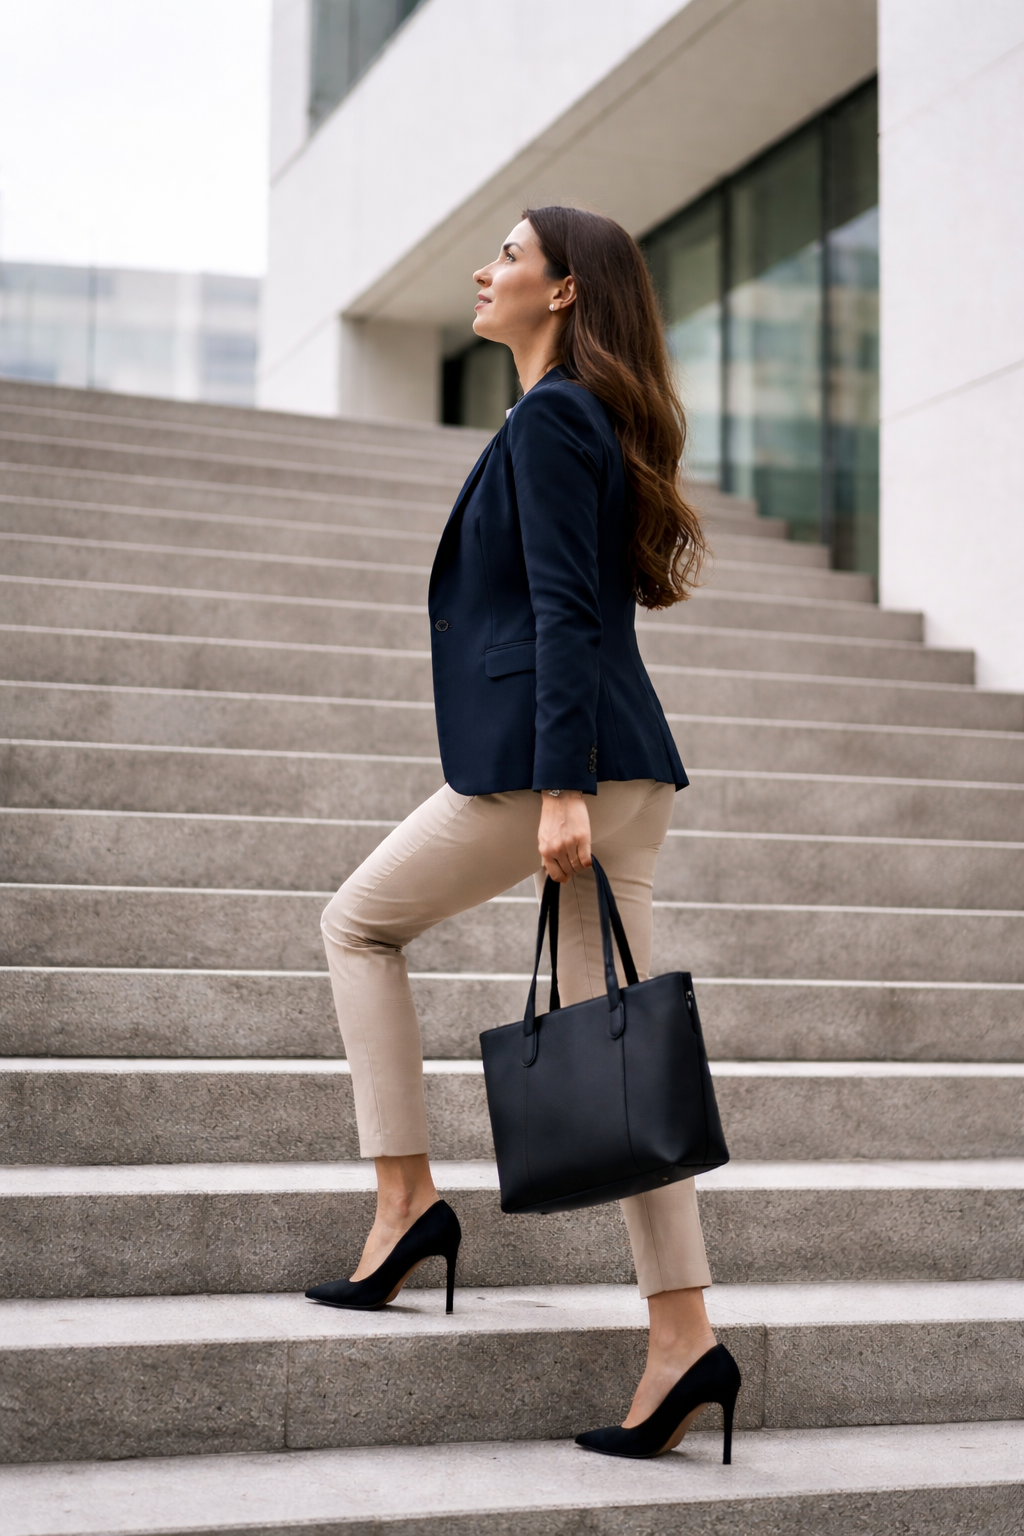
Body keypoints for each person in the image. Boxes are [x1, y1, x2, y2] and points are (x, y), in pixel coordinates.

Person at [307, 205, 741, 1460]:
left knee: (357, 924)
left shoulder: (554, 417)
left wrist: (558, 785)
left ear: (561, 291)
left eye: (507, 253)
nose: (484, 269)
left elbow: (563, 606)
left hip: (564, 770)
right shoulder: (573, 415)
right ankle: (682, 1341)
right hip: (624, 770)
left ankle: (404, 1206)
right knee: (629, 1067)